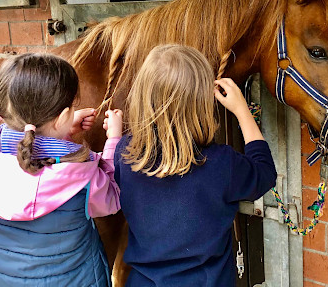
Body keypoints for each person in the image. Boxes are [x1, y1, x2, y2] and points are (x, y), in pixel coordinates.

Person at [114, 44, 277, 287]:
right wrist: (242, 111)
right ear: (201, 102)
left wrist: (115, 139)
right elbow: (264, 173)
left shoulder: (124, 153)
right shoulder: (222, 164)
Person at [0, 52, 122, 287]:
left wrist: (63, 130)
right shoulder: (82, 173)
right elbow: (111, 199)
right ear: (61, 117)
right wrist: (114, 141)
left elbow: (29, 150)